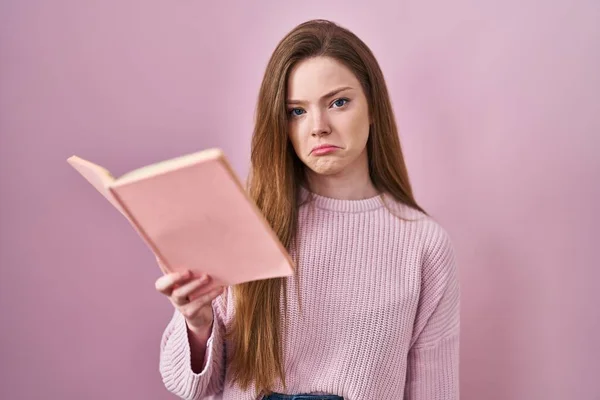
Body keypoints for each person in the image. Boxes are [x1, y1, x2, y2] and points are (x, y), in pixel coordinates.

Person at [154, 18, 460, 400]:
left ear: (373, 108)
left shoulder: (424, 244)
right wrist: (197, 324)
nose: (318, 127)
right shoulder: (243, 224)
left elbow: (434, 391)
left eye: (339, 102)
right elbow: (192, 386)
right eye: (296, 111)